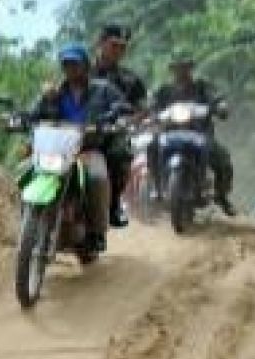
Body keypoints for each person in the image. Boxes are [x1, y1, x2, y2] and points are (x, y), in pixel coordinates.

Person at [31, 44, 127, 253]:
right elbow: (35, 113)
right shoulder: (53, 92)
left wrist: (114, 115)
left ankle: (96, 232)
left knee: (97, 177)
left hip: (88, 149)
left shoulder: (103, 89)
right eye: (66, 64)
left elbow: (122, 106)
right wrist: (21, 118)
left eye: (75, 64)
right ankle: (30, 224)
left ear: (85, 66)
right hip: (57, 151)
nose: (71, 69)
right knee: (28, 171)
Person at [151, 55, 236, 216]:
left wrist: (220, 106)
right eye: (178, 67)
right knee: (152, 146)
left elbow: (217, 98)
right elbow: (152, 104)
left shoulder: (203, 87)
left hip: (200, 134)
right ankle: (157, 187)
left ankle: (221, 195)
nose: (182, 71)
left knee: (222, 158)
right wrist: (151, 113)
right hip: (170, 134)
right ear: (172, 70)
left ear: (191, 68)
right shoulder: (164, 90)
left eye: (185, 67)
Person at [93, 24, 147, 228]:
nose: (118, 51)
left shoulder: (131, 80)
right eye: (114, 45)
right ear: (101, 43)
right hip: (75, 132)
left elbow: (142, 108)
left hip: (110, 135)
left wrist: (131, 120)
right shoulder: (80, 70)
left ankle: (114, 204)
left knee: (120, 155)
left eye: (123, 47)